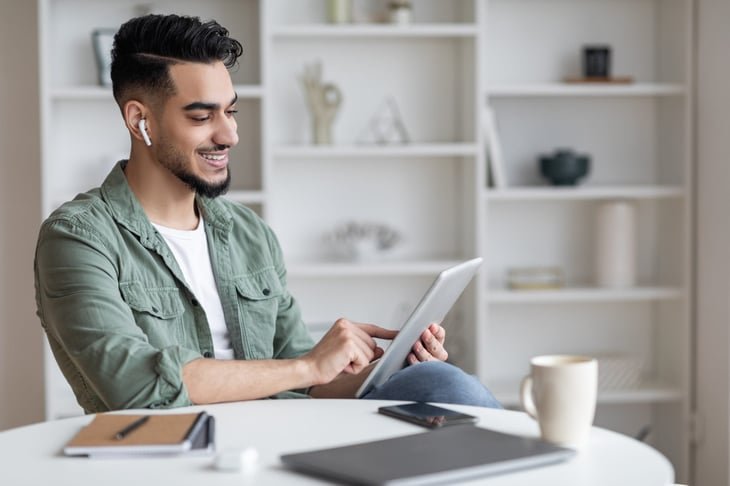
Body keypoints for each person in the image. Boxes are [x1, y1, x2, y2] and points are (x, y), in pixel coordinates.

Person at [34, 14, 501, 413]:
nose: (229, 135)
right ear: (141, 121)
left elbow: (305, 386)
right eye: (202, 117)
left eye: (230, 112)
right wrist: (307, 365)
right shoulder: (78, 238)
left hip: (278, 441)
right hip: (166, 458)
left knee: (442, 385)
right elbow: (136, 387)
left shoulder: (248, 234)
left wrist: (386, 366)